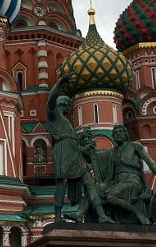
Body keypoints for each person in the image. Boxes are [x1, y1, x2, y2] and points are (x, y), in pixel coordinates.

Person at [44, 73, 113, 223]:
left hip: (74, 155)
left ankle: (102, 215)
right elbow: (51, 99)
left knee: (89, 183)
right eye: (69, 106)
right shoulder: (53, 115)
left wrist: (85, 144)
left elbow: (74, 143)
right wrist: (61, 82)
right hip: (62, 152)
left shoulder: (67, 122)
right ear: (64, 104)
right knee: (61, 183)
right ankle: (57, 215)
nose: (70, 109)